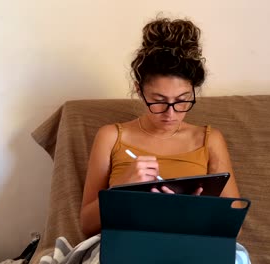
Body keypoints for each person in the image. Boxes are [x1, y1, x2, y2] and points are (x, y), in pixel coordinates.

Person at [78, 16, 250, 263]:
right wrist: (120, 189)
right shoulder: (111, 136)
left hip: (192, 245)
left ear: (194, 91)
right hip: (128, 245)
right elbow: (87, 225)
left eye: (182, 101)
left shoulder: (209, 139)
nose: (171, 114)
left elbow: (236, 227)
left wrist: (196, 211)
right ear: (139, 90)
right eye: (158, 101)